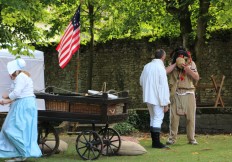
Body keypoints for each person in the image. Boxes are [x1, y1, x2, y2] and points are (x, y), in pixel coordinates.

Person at [0, 58, 42, 162]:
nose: (9, 75)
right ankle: (18, 154)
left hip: (24, 105)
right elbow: (18, 94)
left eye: (10, 72)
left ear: (14, 71)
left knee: (11, 130)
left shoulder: (21, 78)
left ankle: (23, 152)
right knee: (18, 130)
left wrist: (6, 99)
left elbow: (17, 93)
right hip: (22, 104)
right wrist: (7, 99)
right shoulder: (20, 77)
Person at [140, 49, 176, 149]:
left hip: (148, 97)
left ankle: (154, 142)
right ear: (163, 57)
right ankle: (156, 143)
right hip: (157, 98)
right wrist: (166, 103)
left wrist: (148, 90)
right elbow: (163, 87)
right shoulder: (160, 68)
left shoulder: (147, 66)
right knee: (157, 118)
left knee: (153, 118)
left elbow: (141, 81)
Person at [166, 46, 200, 145]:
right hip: (176, 92)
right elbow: (165, 72)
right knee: (174, 118)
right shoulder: (171, 64)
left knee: (190, 117)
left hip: (189, 92)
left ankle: (191, 139)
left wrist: (186, 67)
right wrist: (175, 63)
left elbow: (196, 77)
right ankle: (172, 139)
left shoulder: (191, 63)